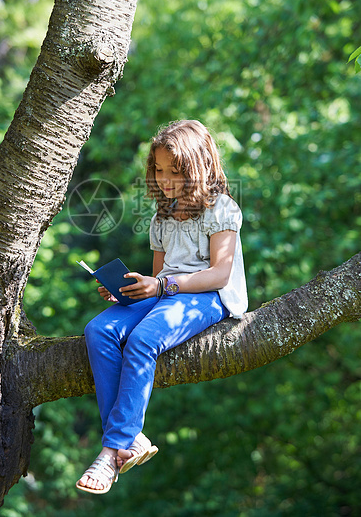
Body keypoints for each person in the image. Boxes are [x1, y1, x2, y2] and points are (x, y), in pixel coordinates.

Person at [76, 119, 248, 494]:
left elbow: (220, 274)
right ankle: (132, 438)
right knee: (99, 330)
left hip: (207, 299)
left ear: (197, 167)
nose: (164, 178)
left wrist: (163, 285)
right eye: (158, 169)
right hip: (168, 295)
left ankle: (110, 452)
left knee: (142, 340)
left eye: (175, 170)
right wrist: (129, 292)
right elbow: (158, 279)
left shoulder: (222, 208)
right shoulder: (161, 216)